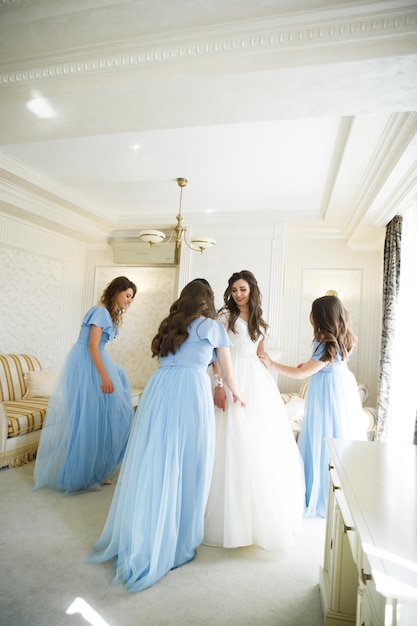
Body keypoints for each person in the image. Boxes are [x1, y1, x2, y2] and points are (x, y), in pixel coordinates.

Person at [88, 280, 245, 592]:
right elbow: (227, 372)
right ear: (208, 301)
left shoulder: (169, 327)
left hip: (159, 391)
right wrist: (237, 393)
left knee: (156, 461)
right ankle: (179, 540)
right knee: (191, 462)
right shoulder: (212, 327)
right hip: (189, 391)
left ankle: (148, 529)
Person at [204, 270, 305, 550]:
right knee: (230, 440)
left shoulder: (262, 322)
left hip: (257, 383)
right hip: (231, 375)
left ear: (252, 290)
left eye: (242, 289)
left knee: (260, 442)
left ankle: (258, 519)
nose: (238, 294)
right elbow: (216, 356)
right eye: (234, 289)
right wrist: (219, 384)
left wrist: (269, 362)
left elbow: (261, 354)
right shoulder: (224, 318)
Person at [259, 294, 367, 518]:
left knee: (321, 438)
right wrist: (310, 365)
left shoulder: (325, 340)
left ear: (320, 316)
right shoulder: (343, 336)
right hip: (339, 386)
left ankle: (320, 494)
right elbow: (321, 364)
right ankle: (338, 491)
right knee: (338, 435)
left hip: (327, 391)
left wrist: (271, 363)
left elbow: (300, 375)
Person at [33, 276, 137, 494]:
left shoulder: (107, 314)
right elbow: (92, 346)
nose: (129, 301)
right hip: (87, 365)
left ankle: (94, 472)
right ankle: (79, 476)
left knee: (100, 420)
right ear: (117, 291)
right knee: (87, 421)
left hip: (95, 362)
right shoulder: (99, 312)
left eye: (131, 298)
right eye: (127, 295)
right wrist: (104, 376)